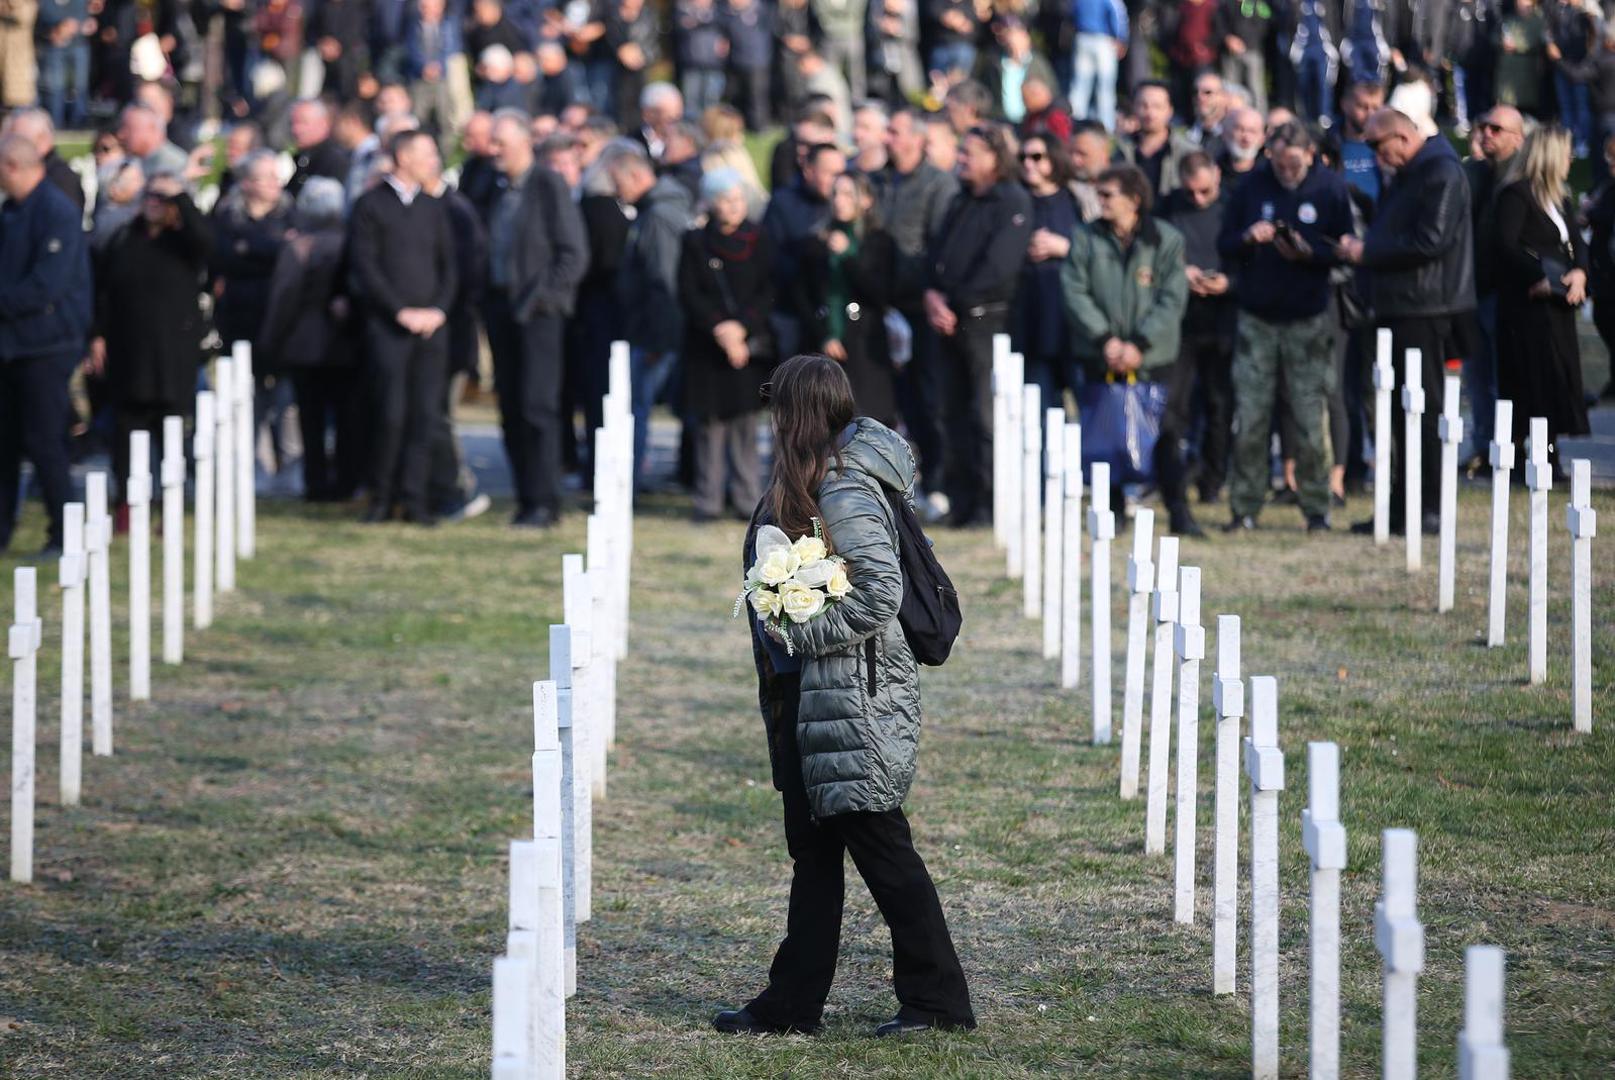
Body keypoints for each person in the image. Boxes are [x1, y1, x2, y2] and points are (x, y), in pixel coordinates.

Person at [715, 353, 975, 1039]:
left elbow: (881, 593)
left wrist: (801, 629)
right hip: (811, 697)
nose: (771, 420)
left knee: (882, 847)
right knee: (814, 851)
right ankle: (790, 1005)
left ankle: (939, 1002)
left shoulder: (843, 486)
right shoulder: (816, 478)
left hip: (851, 696)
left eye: (777, 406)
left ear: (796, 413)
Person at [1337, 108, 1475, 537]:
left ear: (1401, 136)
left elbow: (1431, 240)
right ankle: (1399, 509)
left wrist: (1368, 252)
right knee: (1398, 414)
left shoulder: (1441, 172)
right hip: (1400, 306)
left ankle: (1429, 507)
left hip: (1426, 309)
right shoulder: (1412, 173)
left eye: (1379, 146)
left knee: (1424, 412)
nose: (1377, 156)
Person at [1219, 121, 1354, 533]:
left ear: (1310, 155)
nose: (1287, 171)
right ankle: (1244, 506)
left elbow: (1345, 249)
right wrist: (1248, 238)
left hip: (1308, 317)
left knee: (1311, 417)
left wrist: (1309, 254)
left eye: (1294, 164)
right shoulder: (1250, 186)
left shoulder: (1330, 188)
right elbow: (1225, 243)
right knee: (1251, 416)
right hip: (1257, 317)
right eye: (1279, 164)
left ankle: (1316, 506)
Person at [1060, 165, 1189, 513]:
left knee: (1168, 432)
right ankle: (1112, 511)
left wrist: (1139, 345)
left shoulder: (1166, 239)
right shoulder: (1085, 237)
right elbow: (1074, 291)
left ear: (1133, 199)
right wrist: (1106, 340)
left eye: (1107, 195)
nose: (1099, 201)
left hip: (1153, 357)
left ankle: (1179, 510)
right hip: (1100, 354)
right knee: (1105, 434)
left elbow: (1172, 298)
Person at [483, 110, 590, 528]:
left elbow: (573, 254)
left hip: (539, 314)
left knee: (537, 406)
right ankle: (525, 499)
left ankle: (546, 502)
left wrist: (539, 299)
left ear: (525, 143)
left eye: (501, 142)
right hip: (501, 310)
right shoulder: (494, 186)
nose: (493, 149)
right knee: (511, 407)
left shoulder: (548, 184)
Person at [347, 129, 459, 525]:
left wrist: (438, 310)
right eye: (427, 154)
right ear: (404, 157)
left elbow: (450, 266)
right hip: (389, 327)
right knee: (390, 413)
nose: (434, 161)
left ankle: (415, 498)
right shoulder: (371, 205)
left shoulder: (434, 207)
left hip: (431, 328)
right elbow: (366, 266)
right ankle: (382, 497)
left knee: (424, 415)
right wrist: (399, 312)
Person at [925, 124, 1033, 527]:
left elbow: (999, 267)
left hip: (987, 322)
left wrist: (952, 301)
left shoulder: (1012, 200)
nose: (961, 159)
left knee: (985, 417)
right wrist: (932, 296)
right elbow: (936, 255)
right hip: (948, 323)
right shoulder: (960, 200)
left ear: (994, 158)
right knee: (951, 413)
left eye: (969, 153)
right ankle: (962, 499)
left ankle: (989, 503)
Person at [92, 173, 212, 505]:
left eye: (162, 199)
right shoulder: (125, 238)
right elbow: (103, 290)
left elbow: (206, 243)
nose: (154, 204)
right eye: (150, 196)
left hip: (172, 356)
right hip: (129, 354)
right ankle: (127, 501)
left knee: (171, 432)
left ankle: (171, 502)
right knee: (126, 431)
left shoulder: (183, 243)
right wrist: (97, 334)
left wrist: (181, 198)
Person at [0, 134, 91, 555]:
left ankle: (64, 532)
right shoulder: (11, 210)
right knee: (5, 442)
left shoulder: (57, 211)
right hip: (11, 343)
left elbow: (46, 285)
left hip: (46, 345)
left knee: (44, 440)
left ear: (12, 166)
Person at [257, 177, 364, 503]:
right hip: (345, 346)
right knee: (346, 418)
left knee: (312, 419)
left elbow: (283, 301)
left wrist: (270, 343)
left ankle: (316, 481)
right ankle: (346, 480)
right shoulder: (351, 242)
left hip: (306, 347)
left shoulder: (300, 247)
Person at [677, 168, 773, 522]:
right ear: (711, 203)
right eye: (725, 199)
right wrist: (720, 329)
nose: (733, 206)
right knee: (710, 426)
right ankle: (708, 499)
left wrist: (741, 329)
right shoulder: (695, 241)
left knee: (745, 425)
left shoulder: (760, 239)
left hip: (747, 349)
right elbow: (688, 291)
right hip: (708, 347)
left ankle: (748, 498)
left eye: (738, 199)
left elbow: (769, 289)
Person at [1493, 124, 1590, 467]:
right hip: (1527, 307)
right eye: (1566, 153)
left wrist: (1580, 272)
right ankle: (1529, 456)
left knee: (1555, 379)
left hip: (1558, 306)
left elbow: (1575, 243)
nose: (1570, 160)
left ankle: (1550, 451)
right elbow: (1505, 246)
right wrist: (1539, 277)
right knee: (1530, 381)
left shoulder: (1560, 198)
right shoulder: (1516, 195)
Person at [881, 107, 959, 519]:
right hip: (882, 306)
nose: (887, 139)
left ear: (916, 138)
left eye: (894, 131)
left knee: (930, 400)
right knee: (894, 402)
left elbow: (940, 245)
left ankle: (940, 482)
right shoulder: (881, 180)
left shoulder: (938, 184)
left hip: (922, 310)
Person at [608, 145, 695, 489]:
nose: (617, 192)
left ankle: (629, 481)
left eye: (619, 183)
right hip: (652, 328)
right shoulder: (654, 210)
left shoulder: (658, 216)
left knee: (639, 407)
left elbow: (663, 280)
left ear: (636, 176)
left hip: (655, 332)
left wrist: (659, 338)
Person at [1162, 151, 1236, 526]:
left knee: (1220, 405)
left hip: (1222, 319)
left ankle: (1213, 479)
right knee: (1174, 407)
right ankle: (1174, 477)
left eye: (1205, 191)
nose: (1198, 199)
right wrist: (1180, 272)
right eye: (1191, 192)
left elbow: (1246, 257)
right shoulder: (1168, 209)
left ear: (1217, 177)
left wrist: (1228, 281)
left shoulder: (1234, 207)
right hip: (1181, 322)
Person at [795, 172, 898, 426]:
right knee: (826, 422)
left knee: (867, 423)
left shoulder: (879, 241)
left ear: (867, 200)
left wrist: (848, 257)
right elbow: (802, 295)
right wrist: (825, 334)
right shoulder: (815, 242)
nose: (839, 201)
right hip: (826, 345)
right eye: (835, 194)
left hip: (866, 346)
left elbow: (880, 294)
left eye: (848, 195)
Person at [1463, 104, 1528, 471]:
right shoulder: (1473, 173)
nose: (1486, 133)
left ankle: (1509, 449)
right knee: (1477, 377)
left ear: (1517, 138)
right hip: (1473, 289)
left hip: (1507, 295)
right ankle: (1484, 447)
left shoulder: (1524, 178)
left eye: (1496, 129)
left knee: (1505, 379)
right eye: (1484, 126)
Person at [1011, 132, 1083, 410]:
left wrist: (1064, 247)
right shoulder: (1016, 200)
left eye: (1036, 156)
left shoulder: (1078, 198)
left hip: (1071, 320)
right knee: (1039, 407)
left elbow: (1101, 251)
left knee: (1084, 406)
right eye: (1023, 157)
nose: (1028, 163)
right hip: (1031, 319)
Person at [1117, 81, 1198, 204]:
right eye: (1143, 105)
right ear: (1134, 108)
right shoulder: (1120, 150)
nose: (1150, 113)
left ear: (1170, 110)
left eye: (1157, 106)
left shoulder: (1188, 152)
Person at [1070, 0, 1127, 131]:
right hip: (1103, 40)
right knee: (1105, 88)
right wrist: (1121, 38)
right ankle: (1106, 127)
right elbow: (1118, 15)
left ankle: (1075, 124)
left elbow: (1072, 12)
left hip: (1082, 37)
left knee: (1079, 86)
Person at [288, 98, 352, 197]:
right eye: (292, 123)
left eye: (303, 122)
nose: (295, 129)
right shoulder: (302, 156)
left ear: (323, 123)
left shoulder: (335, 160)